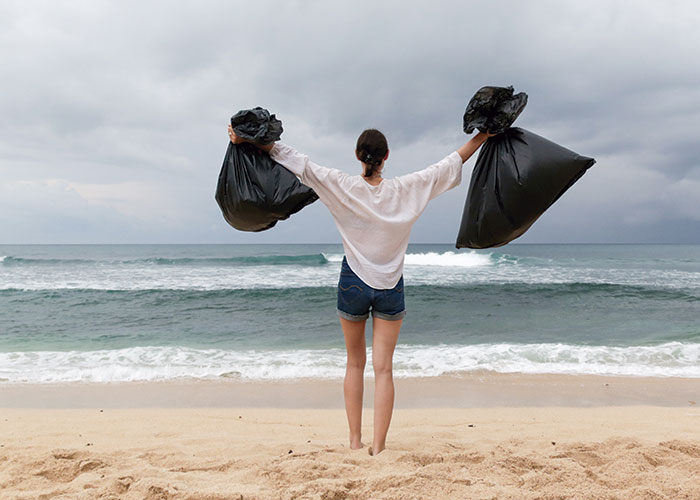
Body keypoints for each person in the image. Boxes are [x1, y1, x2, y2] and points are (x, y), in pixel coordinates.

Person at [228, 123, 493, 455]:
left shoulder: (343, 186)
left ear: (358, 156)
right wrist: (483, 137)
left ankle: (355, 441)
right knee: (384, 369)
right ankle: (379, 447)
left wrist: (249, 139)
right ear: (386, 157)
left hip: (353, 281)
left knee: (355, 363)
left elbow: (299, 162)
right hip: (390, 285)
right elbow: (449, 164)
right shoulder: (407, 189)